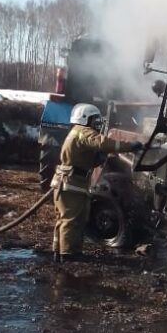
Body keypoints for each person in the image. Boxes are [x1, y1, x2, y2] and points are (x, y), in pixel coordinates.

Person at [52, 103, 143, 263]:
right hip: (70, 182)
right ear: (84, 118)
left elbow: (81, 158)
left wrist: (96, 159)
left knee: (71, 219)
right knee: (71, 220)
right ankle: (67, 255)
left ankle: (62, 251)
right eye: (94, 120)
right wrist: (129, 146)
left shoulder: (77, 133)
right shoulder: (82, 131)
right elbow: (102, 142)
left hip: (74, 182)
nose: (97, 124)